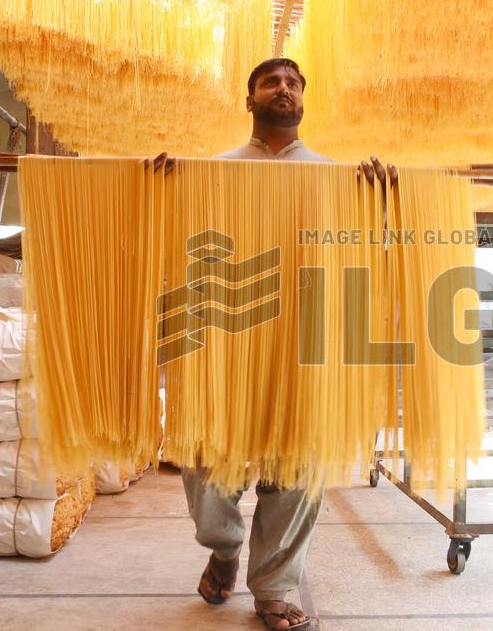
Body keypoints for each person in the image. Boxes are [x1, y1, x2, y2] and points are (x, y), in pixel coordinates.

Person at [178, 57, 394, 631]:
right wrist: (155, 183)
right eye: (271, 82)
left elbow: (375, 251)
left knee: (297, 472)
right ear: (249, 100)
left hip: (306, 342)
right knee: (204, 465)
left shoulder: (339, 177)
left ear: (303, 100)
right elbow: (166, 238)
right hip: (222, 340)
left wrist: (385, 197)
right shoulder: (209, 172)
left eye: (294, 82)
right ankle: (223, 547)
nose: (284, 88)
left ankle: (274, 587)